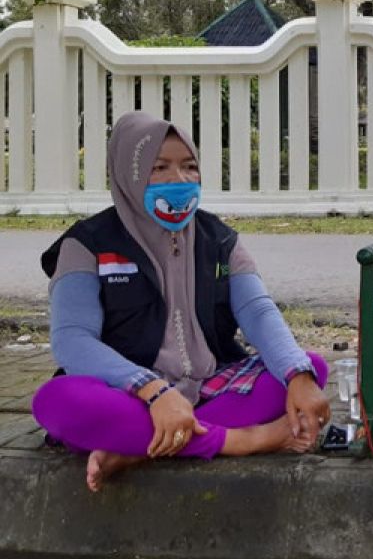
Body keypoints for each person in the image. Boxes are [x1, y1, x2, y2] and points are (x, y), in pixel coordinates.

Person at [31, 112, 331, 492]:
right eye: (160, 167)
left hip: (211, 389)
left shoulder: (221, 240)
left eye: (190, 167)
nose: (180, 179)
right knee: (57, 402)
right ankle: (246, 440)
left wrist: (297, 375)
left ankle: (134, 450)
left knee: (310, 369)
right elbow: (72, 340)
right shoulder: (86, 244)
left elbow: (258, 312)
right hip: (129, 394)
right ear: (130, 173)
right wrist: (154, 391)